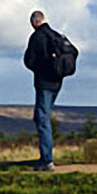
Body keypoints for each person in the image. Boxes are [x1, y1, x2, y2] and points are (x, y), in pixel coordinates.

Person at [24, 10, 63, 171]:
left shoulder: (37, 37)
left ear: (34, 22)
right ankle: (46, 158)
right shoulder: (56, 35)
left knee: (42, 119)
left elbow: (29, 60)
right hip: (57, 82)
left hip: (44, 82)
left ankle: (47, 160)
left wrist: (40, 69)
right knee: (42, 116)